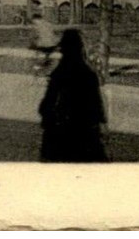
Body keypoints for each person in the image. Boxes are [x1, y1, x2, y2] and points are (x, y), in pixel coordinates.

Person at [38, 29, 108, 162]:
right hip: (85, 132)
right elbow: (96, 104)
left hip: (61, 131)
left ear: (63, 49)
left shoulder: (59, 74)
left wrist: (47, 116)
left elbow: (48, 103)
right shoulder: (89, 74)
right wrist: (101, 123)